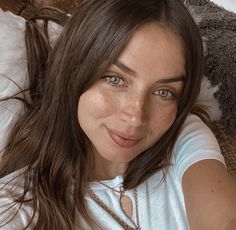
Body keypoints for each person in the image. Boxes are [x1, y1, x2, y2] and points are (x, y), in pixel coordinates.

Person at [0, 0, 236, 229]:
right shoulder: (19, 205)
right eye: (115, 79)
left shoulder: (183, 136)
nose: (136, 117)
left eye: (163, 92)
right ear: (73, 70)